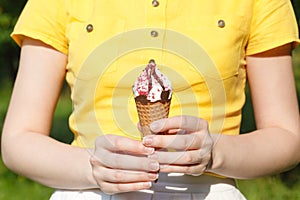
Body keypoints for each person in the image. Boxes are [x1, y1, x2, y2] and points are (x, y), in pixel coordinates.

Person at [1, 0, 300, 199]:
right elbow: (18, 140)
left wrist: (215, 153)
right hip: (87, 191)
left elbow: (288, 137)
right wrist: (91, 166)